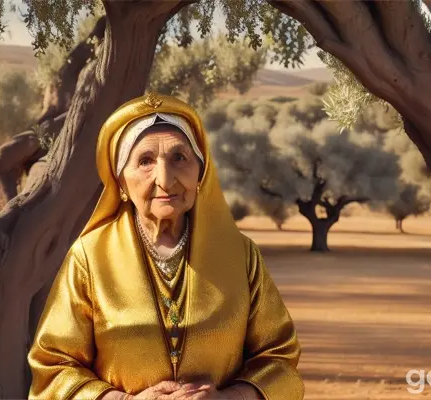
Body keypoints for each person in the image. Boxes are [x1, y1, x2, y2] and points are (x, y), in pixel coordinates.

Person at [28, 93, 303, 400]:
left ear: (201, 170)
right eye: (145, 161)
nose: (165, 178)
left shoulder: (240, 255)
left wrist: (231, 398)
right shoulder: (89, 258)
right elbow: (54, 368)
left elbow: (279, 361)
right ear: (120, 181)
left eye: (179, 158)